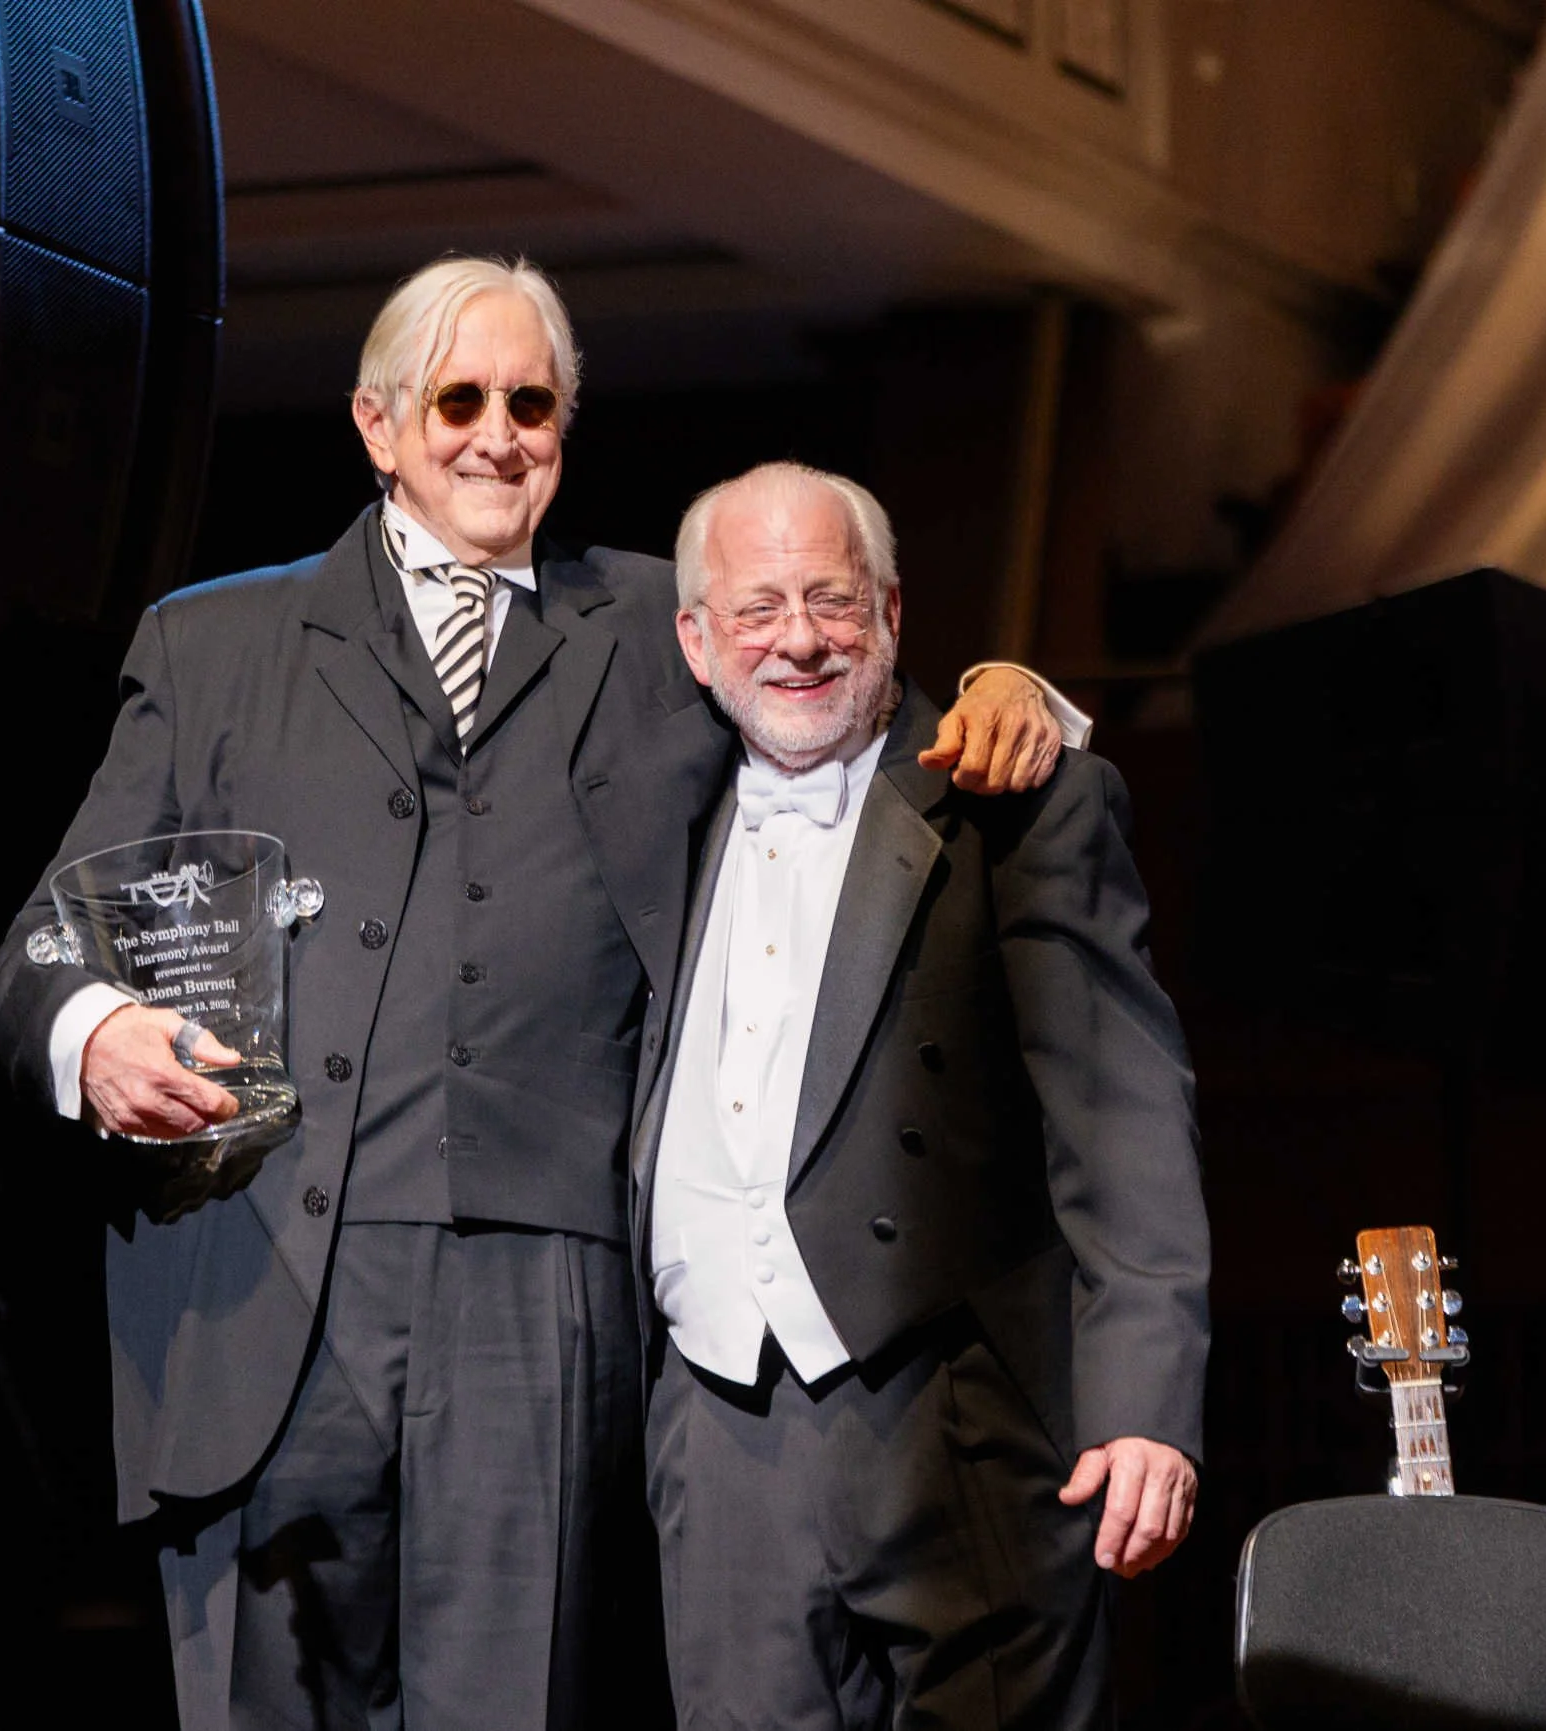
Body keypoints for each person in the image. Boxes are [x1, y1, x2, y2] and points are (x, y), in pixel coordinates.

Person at [0, 258, 1073, 1729]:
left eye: (532, 401)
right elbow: (41, 946)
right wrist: (93, 1026)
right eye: (459, 398)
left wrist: (1018, 688)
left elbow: (832, 687)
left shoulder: (649, 624)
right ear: (378, 424)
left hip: (538, 1296)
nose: (498, 433)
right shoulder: (216, 642)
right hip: (263, 1283)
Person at [631, 461, 1209, 1729]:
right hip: (717, 1427)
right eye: (758, 608)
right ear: (694, 639)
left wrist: (1144, 1407)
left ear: (893, 614)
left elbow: (1120, 1115)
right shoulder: (649, 812)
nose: (797, 639)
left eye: (832, 601)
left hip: (961, 1423)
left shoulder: (1015, 796)